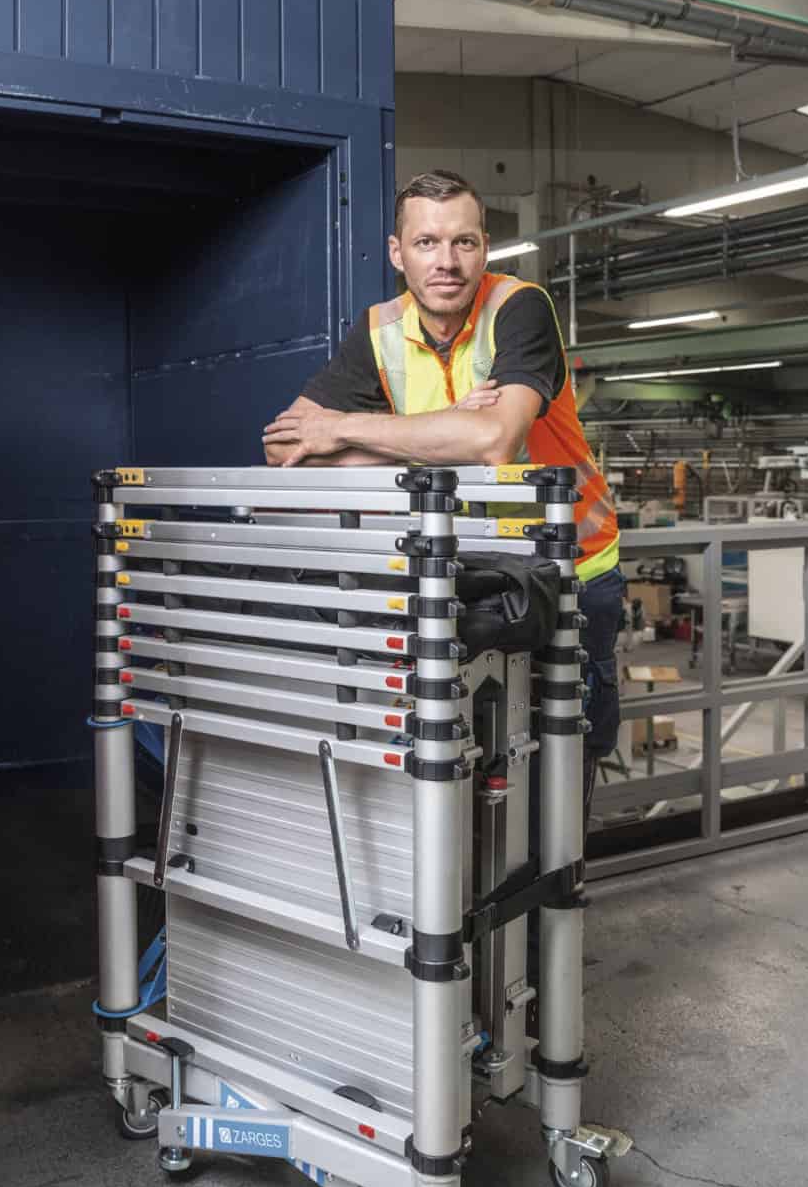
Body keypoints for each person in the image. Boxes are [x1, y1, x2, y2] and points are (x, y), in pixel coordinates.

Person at [262, 169, 626, 798]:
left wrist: (345, 429)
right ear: (397, 252)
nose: (447, 262)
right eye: (427, 242)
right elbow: (285, 450)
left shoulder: (519, 308)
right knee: (457, 763)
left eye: (464, 242)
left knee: (556, 776)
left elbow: (494, 442)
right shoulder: (379, 331)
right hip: (464, 573)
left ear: (485, 247)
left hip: (567, 572)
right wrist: (444, 428)